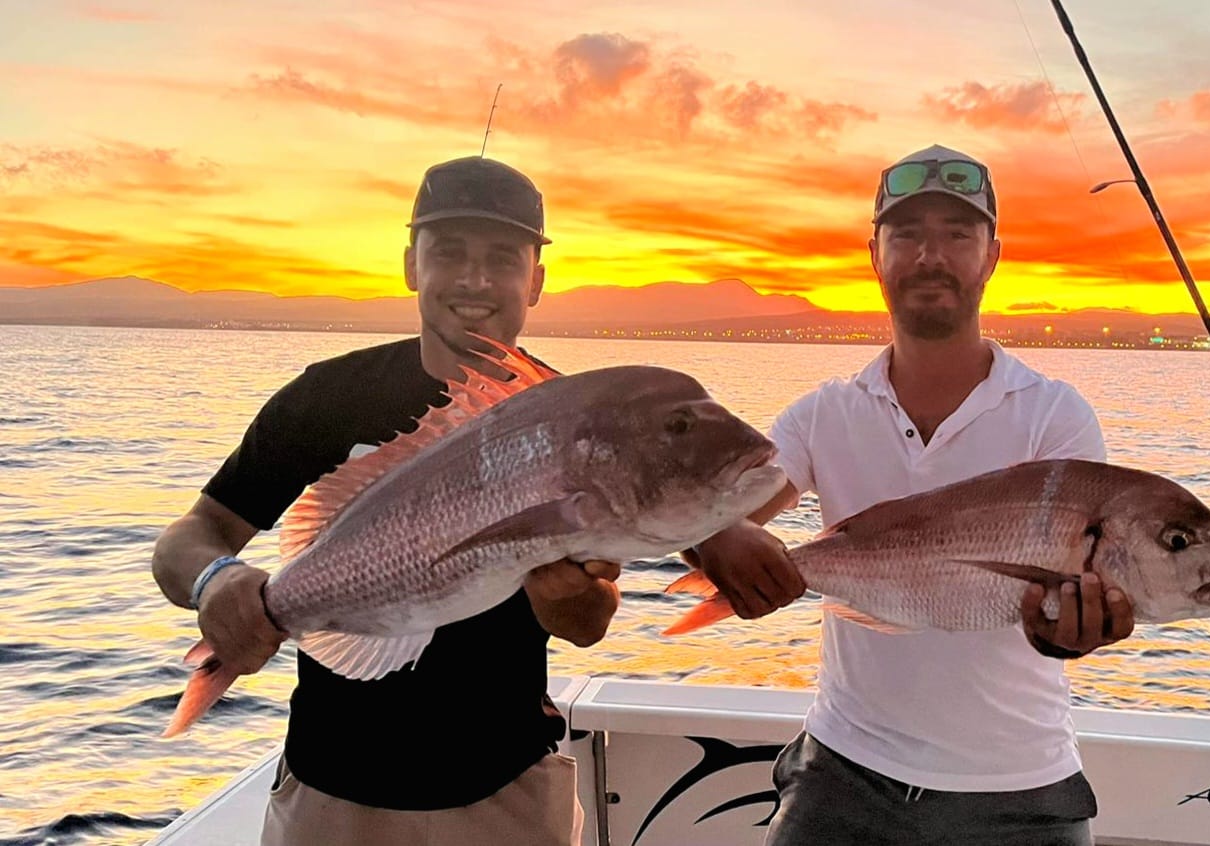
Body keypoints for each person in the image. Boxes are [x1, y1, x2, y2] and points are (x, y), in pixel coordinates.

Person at [150, 155, 619, 846]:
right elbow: (192, 535)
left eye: (503, 258)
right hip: (330, 794)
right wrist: (217, 581)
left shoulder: (572, 418)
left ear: (538, 281)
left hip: (507, 793)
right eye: (449, 252)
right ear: (410, 265)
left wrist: (572, 603)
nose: (475, 280)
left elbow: (589, 622)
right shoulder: (324, 398)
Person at [689, 143, 1136, 845]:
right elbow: (724, 512)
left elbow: (1075, 596)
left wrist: (1070, 637)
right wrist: (719, 538)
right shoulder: (823, 415)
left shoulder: (1054, 416)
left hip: (1019, 790)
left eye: (958, 234)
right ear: (875, 254)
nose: (932, 256)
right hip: (843, 772)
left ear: (992, 254)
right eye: (908, 235)